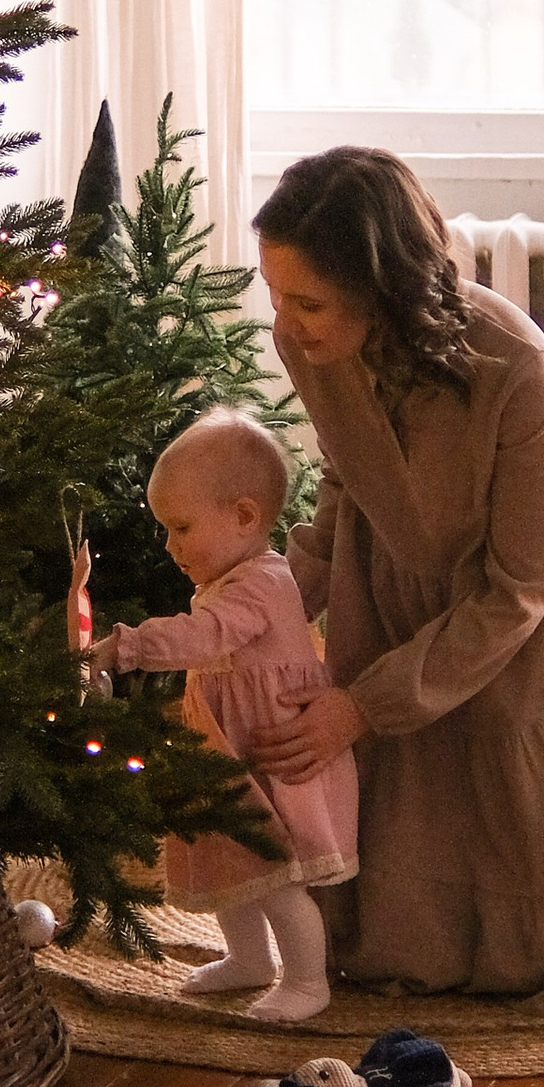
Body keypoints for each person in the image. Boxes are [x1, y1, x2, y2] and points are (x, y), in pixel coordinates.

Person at [248, 148, 544, 1004]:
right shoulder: (311, 341)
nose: (288, 323)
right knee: (408, 811)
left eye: (307, 301)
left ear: (379, 288)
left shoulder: (516, 369)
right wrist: (272, 598)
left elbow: (518, 590)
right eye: (276, 296)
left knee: (519, 780)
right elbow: (349, 470)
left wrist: (364, 705)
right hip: (395, 564)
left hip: (530, 589)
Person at [80, 408, 358, 1021]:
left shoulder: (260, 583)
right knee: (232, 859)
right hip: (229, 752)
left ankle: (308, 982)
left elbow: (205, 639)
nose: (170, 546)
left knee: (278, 872)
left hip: (273, 752)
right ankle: (249, 960)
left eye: (180, 528)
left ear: (243, 516)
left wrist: (127, 646)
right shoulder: (228, 576)